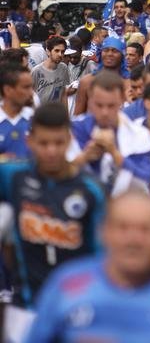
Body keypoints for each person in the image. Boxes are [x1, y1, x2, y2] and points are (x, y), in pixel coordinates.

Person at [25, 191, 150, 343]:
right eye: (123, 228)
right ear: (103, 232)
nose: (134, 240)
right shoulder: (67, 284)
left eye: (145, 229)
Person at [0, 102, 105, 308]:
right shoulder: (13, 176)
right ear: (29, 141)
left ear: (69, 140)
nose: (51, 151)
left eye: (58, 143)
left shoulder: (91, 190)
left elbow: (101, 256)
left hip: (75, 307)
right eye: (44, 143)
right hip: (26, 306)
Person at [70, 71, 150, 194]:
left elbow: (146, 180)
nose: (104, 112)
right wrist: (84, 157)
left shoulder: (140, 135)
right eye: (99, 105)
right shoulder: (73, 129)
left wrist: (115, 154)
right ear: (90, 99)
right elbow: (54, 176)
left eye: (111, 106)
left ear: (122, 100)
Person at [0, 60, 33, 158]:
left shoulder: (36, 119)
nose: (31, 93)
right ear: (8, 90)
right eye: (26, 87)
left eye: (31, 87)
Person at [31, 35, 69, 104]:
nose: (60, 54)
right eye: (56, 51)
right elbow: (30, 96)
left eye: (62, 51)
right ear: (48, 51)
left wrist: (65, 110)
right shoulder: (36, 71)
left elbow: (63, 93)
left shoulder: (64, 68)